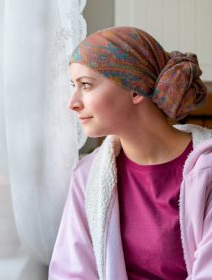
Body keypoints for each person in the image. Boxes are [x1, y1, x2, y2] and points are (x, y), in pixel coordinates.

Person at [48, 26, 212, 280]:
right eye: (74, 86)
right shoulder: (88, 177)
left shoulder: (207, 172)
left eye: (86, 85)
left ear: (136, 89)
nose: (73, 102)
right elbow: (70, 272)